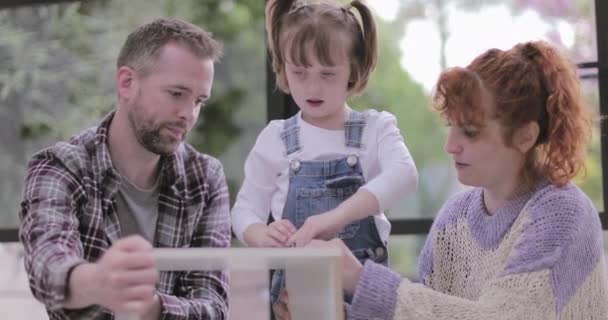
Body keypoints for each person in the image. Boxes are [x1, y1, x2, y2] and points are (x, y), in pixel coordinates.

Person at [277, 40, 608, 320]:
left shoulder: (563, 214)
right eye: (451, 126)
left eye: (471, 133)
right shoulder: (455, 219)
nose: (451, 145)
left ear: (525, 136)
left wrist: (360, 278)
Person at [19, 18, 231, 319]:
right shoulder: (61, 166)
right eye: (176, 94)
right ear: (127, 82)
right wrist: (99, 282)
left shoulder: (206, 178)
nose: (188, 114)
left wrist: (153, 307)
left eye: (199, 101)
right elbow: (47, 268)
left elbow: (215, 307)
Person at [230, 0, 418, 311]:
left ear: (352, 72)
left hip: (365, 297)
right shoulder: (275, 138)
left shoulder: (376, 128)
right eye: (299, 72)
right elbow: (243, 211)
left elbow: (404, 175)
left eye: (327, 74)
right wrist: (261, 234)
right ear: (283, 69)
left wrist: (332, 220)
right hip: (295, 302)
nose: (312, 86)